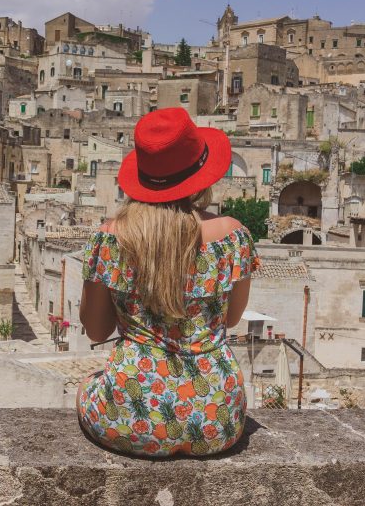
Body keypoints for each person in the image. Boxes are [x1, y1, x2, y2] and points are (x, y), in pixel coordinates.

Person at [77, 108, 260, 457]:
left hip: (130, 414)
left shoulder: (111, 239)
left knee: (86, 387)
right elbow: (232, 318)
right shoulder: (233, 235)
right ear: (201, 173)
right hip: (217, 417)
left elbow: (96, 331)